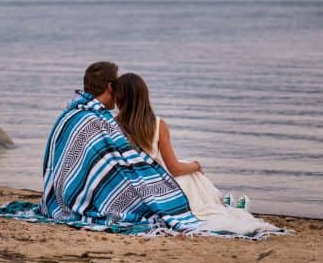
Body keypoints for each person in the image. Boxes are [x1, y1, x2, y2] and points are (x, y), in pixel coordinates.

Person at [37, 62, 201, 234]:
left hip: (62, 196)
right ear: (110, 87)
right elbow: (115, 169)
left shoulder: (72, 114)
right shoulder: (98, 121)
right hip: (86, 199)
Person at [113, 72, 281, 236]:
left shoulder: (111, 125)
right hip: (155, 189)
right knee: (190, 173)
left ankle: (221, 205)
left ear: (119, 98)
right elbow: (174, 169)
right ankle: (221, 206)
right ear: (144, 97)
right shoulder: (157, 125)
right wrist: (197, 165)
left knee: (185, 170)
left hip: (128, 190)